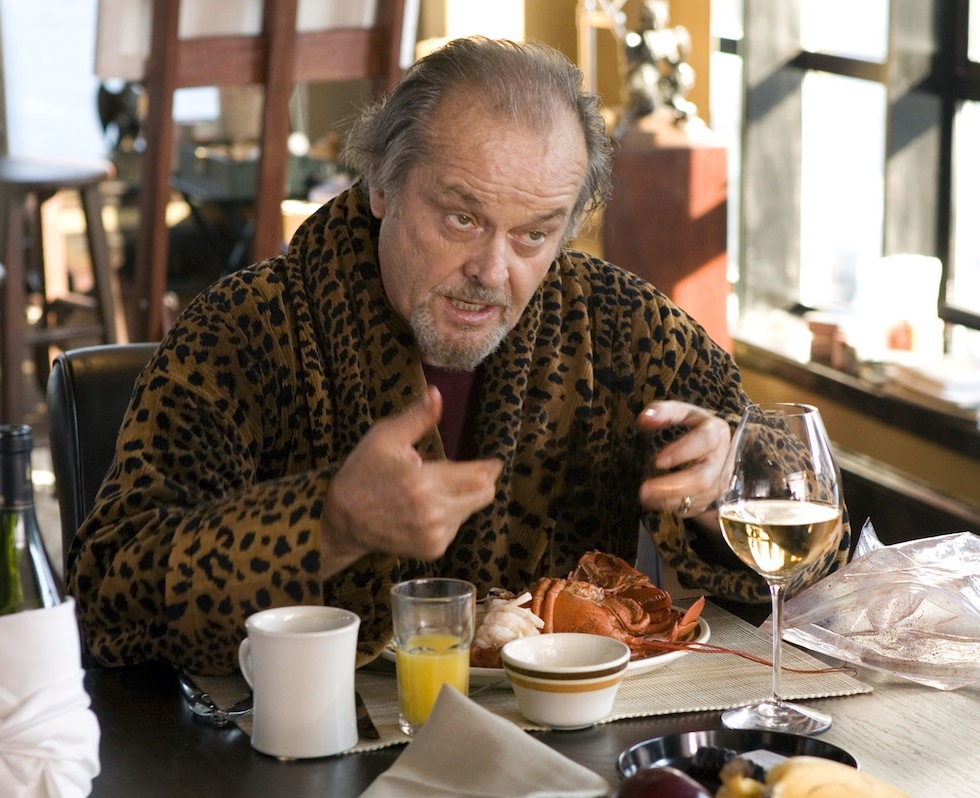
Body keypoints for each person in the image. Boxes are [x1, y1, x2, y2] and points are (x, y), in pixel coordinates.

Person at [68, 37, 850, 675]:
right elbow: (107, 599)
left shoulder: (620, 324)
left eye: (534, 234)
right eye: (461, 219)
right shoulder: (247, 331)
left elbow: (827, 553)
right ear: (382, 182)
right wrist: (328, 523)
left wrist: (726, 484)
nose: (493, 270)